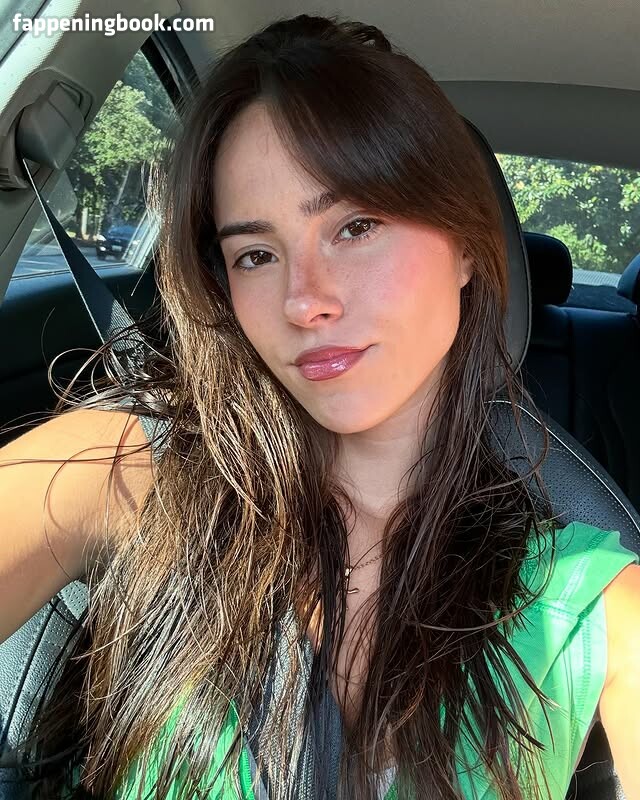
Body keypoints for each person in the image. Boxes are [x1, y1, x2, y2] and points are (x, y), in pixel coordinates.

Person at [1, 13, 638, 800]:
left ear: (468, 246)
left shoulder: (593, 604)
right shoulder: (125, 466)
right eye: (256, 254)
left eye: (357, 226)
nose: (305, 301)